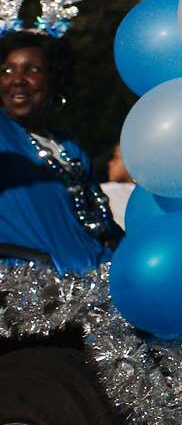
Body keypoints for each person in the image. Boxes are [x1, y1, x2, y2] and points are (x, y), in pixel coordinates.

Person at [0, 31, 120, 272]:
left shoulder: (68, 144)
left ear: (54, 79)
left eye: (32, 70)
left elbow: (100, 219)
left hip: (95, 276)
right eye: (7, 70)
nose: (18, 79)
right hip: (31, 288)